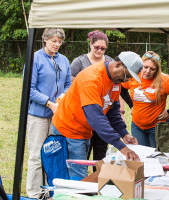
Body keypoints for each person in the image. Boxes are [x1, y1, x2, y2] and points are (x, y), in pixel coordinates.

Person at [52, 51, 143, 180]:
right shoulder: (91, 78)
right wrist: (121, 146)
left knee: (79, 170)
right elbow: (96, 118)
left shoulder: (115, 82)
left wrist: (124, 134)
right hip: (69, 128)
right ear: (118, 64)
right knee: (79, 174)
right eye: (126, 76)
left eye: (128, 79)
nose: (125, 80)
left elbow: (112, 112)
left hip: (84, 129)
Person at [26, 28, 72, 198]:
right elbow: (28, 89)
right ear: (45, 40)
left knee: (53, 153)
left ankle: (50, 190)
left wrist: (63, 96)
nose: (57, 44)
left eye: (59, 42)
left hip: (57, 115)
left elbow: (68, 83)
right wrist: (49, 102)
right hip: (38, 115)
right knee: (37, 155)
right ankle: (34, 192)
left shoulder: (64, 60)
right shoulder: (35, 58)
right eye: (54, 41)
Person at [70, 30, 123, 171]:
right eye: (96, 47)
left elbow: (116, 91)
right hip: (85, 114)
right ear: (90, 44)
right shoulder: (79, 62)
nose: (99, 50)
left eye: (103, 48)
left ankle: (99, 180)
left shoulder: (112, 63)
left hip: (103, 115)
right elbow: (72, 88)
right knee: (83, 156)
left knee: (101, 153)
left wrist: (120, 111)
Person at [121, 51, 169, 147]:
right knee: (142, 156)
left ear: (157, 70)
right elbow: (122, 90)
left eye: (152, 69)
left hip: (157, 127)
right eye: (145, 67)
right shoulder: (133, 76)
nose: (148, 71)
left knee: (157, 157)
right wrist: (131, 105)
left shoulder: (164, 81)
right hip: (137, 126)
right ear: (141, 65)